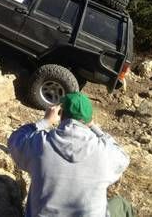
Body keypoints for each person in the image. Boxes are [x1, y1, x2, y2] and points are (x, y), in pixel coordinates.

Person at [8, 92, 136, 217]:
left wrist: (45, 121)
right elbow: (123, 158)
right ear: (90, 118)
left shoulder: (40, 144)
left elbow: (14, 140)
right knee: (122, 205)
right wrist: (94, 127)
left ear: (60, 114)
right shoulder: (104, 152)